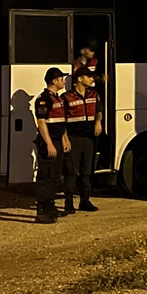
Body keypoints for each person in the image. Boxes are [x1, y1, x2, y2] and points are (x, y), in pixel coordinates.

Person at [61, 64, 102, 213]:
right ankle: (68, 202)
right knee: (71, 172)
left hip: (89, 138)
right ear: (80, 78)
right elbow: (61, 121)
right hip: (74, 138)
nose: (92, 79)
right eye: (89, 77)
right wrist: (65, 139)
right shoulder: (66, 97)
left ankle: (85, 200)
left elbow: (99, 111)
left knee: (87, 171)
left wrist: (98, 121)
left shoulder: (93, 94)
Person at [32, 67, 70, 224]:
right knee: (45, 176)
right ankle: (41, 210)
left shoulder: (59, 99)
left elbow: (61, 122)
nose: (64, 81)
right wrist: (49, 144)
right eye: (62, 79)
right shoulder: (44, 99)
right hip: (48, 142)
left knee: (54, 176)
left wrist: (65, 139)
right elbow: (41, 123)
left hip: (57, 141)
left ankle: (50, 206)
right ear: (54, 81)